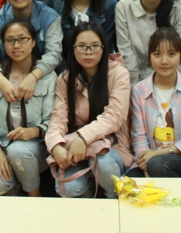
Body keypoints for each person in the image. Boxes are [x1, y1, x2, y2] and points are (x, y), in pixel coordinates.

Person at [45, 22, 133, 198]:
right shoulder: (65, 79)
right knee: (67, 188)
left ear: (103, 48)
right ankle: (89, 194)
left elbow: (114, 116)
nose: (88, 52)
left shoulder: (119, 74)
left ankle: (114, 198)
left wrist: (83, 137)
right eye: (82, 46)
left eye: (94, 46)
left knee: (103, 163)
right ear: (73, 50)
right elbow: (58, 118)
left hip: (113, 145)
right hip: (77, 150)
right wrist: (55, 145)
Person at [0, 19, 56, 196]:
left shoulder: (48, 77)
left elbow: (53, 121)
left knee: (18, 151)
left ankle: (34, 197)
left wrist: (33, 132)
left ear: (34, 41)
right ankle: (14, 187)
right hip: (2, 146)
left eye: (22, 39)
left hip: (35, 148)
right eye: (10, 40)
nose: (16, 45)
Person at [128, 28, 181, 178]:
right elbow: (139, 136)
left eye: (171, 54)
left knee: (158, 165)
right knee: (126, 183)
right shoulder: (139, 90)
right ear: (149, 57)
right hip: (148, 160)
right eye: (157, 54)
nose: (164, 61)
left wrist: (157, 155)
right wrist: (145, 166)